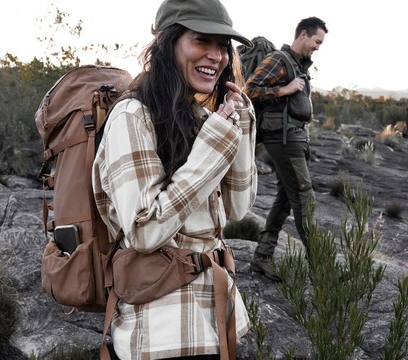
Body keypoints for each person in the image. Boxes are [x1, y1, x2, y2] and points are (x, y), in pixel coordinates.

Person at [92, 0, 257, 358]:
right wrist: (213, 148)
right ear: (168, 44)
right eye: (202, 41)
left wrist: (241, 126)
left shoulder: (199, 116)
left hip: (216, 320)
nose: (217, 56)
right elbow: (143, 230)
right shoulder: (132, 117)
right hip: (159, 334)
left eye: (223, 46)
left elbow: (238, 208)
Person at [245, 17, 328, 281]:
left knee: (284, 199)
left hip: (295, 138)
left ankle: (262, 256)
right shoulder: (279, 59)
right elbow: (250, 89)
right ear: (303, 34)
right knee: (304, 197)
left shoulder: (298, 65)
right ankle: (320, 267)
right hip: (281, 139)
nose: (318, 47)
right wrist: (284, 89)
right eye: (317, 41)